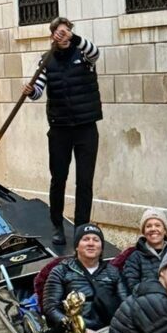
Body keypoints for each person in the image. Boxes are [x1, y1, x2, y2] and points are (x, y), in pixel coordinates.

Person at [23, 17, 103, 246]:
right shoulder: (46, 61)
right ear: (52, 36)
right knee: (59, 179)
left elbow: (96, 52)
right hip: (59, 129)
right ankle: (57, 225)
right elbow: (38, 91)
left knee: (84, 181)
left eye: (66, 31)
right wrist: (30, 91)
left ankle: (80, 228)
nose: (62, 35)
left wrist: (73, 37)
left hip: (86, 128)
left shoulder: (85, 55)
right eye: (58, 32)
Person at [42, 223, 123, 333]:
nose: (91, 243)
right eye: (85, 239)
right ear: (76, 246)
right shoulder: (61, 271)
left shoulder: (113, 272)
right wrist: (79, 330)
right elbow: (50, 307)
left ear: (101, 247)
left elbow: (125, 304)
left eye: (96, 240)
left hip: (108, 331)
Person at [120, 208, 167, 295]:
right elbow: (132, 286)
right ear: (144, 232)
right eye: (148, 226)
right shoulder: (135, 257)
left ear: (165, 230)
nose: (153, 229)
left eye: (157, 225)